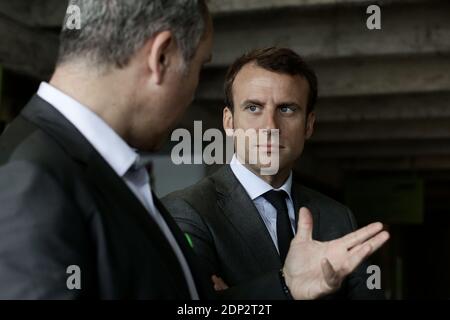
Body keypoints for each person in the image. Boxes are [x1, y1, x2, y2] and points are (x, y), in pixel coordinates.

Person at [0, 0, 387, 299]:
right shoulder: (31, 181)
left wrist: (280, 287)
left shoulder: (97, 173)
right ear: (162, 57)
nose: (190, 95)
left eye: (287, 109)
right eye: (200, 68)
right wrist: (283, 287)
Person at [163, 47, 388, 299]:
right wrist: (285, 286)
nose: (270, 126)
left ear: (309, 125)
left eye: (287, 109)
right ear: (229, 122)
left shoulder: (338, 217)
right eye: (253, 108)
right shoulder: (185, 211)